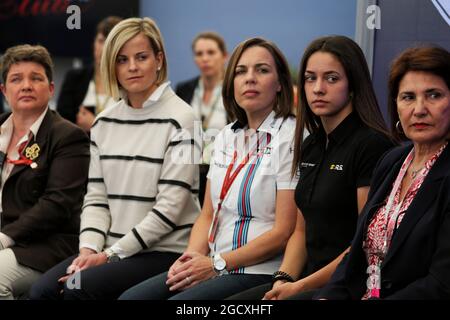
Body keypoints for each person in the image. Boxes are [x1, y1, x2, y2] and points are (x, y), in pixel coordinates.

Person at [29, 17, 200, 300]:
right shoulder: (104, 122)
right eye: (122, 60)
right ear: (112, 66)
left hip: (164, 251)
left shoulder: (185, 120)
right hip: (111, 248)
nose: (132, 67)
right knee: (42, 291)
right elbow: (96, 198)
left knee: (78, 290)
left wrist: (109, 256)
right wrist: (88, 250)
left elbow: (170, 209)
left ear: (158, 60)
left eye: (141, 57)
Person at [119, 37, 298, 300]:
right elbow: (207, 214)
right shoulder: (226, 135)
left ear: (280, 83)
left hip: (257, 270)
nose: (250, 78)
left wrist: (217, 264)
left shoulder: (291, 136)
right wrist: (190, 258)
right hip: (214, 263)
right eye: (240, 71)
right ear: (232, 83)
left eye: (262, 70)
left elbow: (284, 232)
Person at [229, 35, 394, 300]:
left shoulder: (372, 145)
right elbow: (301, 231)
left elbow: (365, 244)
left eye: (331, 78)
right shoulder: (312, 145)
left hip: (346, 285)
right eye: (310, 78)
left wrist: (300, 287)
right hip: (306, 279)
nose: (318, 88)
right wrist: (283, 279)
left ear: (352, 84)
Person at [316, 46, 450, 300]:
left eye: (433, 95)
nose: (419, 109)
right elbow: (355, 255)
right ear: (396, 105)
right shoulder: (392, 160)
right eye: (408, 97)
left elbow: (442, 284)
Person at [0, 44, 89, 299]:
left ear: (51, 89)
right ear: (5, 91)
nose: (26, 85)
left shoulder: (69, 136)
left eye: (36, 78)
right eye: (16, 79)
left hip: (44, 246)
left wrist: (4, 238)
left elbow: (56, 204)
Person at [176, 32, 229, 206]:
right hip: (188, 171)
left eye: (211, 52)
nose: (205, 58)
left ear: (224, 56)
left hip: (223, 171)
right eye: (199, 54)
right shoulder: (184, 89)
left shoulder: (233, 90)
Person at [56, 16, 122, 132]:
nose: (104, 49)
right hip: (77, 148)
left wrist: (94, 124)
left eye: (110, 43)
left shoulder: (128, 83)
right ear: (94, 43)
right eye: (101, 41)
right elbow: (60, 125)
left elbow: (129, 131)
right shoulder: (74, 78)